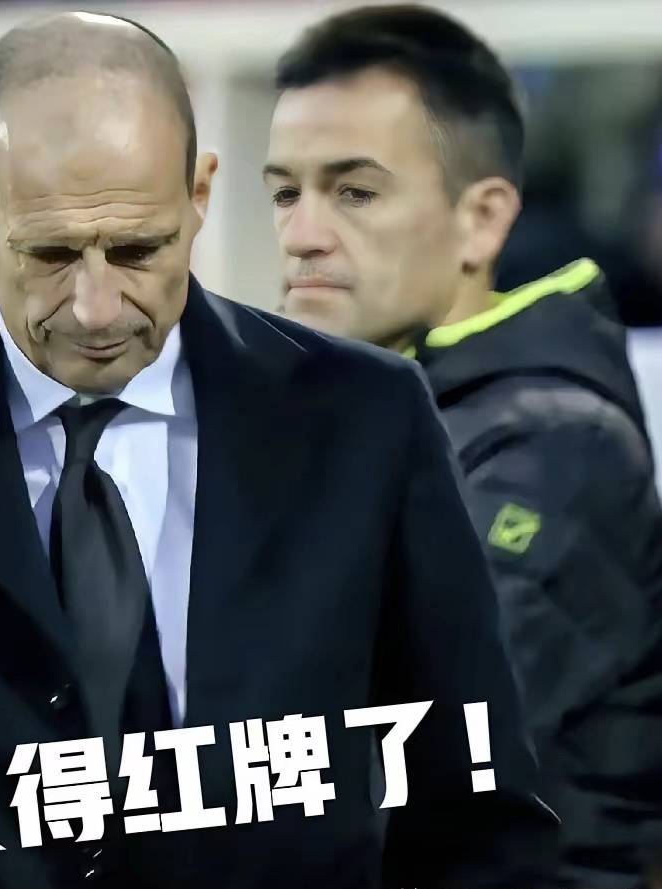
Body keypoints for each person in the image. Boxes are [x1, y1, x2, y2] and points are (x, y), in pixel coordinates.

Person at [0, 11, 556, 889]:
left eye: (139, 249)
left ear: (199, 193)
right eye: (50, 254)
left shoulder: (366, 420)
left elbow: (474, 803)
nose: (96, 307)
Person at [266, 6, 662, 888]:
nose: (302, 234)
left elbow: (414, 749)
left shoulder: (555, 445)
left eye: (354, 191)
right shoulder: (361, 419)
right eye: (286, 192)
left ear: (481, 220)